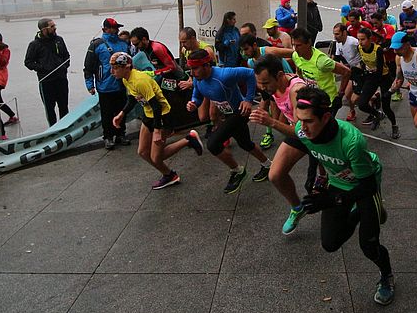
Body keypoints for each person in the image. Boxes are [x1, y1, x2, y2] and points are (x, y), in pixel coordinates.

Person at [280, 86, 395, 305]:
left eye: (308, 121)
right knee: (330, 244)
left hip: (364, 185)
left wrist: (332, 200)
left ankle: (386, 276)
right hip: (338, 184)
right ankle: (358, 214)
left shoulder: (352, 141)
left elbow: (367, 186)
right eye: (300, 120)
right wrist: (314, 178)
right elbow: (313, 149)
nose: (302, 127)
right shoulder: (304, 129)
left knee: (368, 246)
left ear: (325, 117)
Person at [109, 52, 203, 189]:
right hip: (149, 115)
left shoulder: (140, 81)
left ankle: (189, 140)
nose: (112, 71)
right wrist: (122, 114)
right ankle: (169, 175)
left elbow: (157, 106)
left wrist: (158, 130)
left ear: (126, 67)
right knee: (142, 152)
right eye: (112, 67)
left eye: (115, 68)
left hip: (162, 116)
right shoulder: (126, 79)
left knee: (156, 158)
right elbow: (133, 98)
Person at [185, 49, 272, 194]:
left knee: (213, 144)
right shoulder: (198, 79)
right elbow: (198, 94)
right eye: (191, 69)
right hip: (228, 114)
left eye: (195, 68)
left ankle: (237, 171)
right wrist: (194, 103)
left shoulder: (224, 75)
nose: (192, 73)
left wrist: (249, 100)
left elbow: (251, 74)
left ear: (206, 65)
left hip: (240, 112)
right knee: (245, 143)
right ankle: (268, 165)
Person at [249, 54, 310, 234]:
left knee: (331, 178)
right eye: (259, 83)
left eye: (265, 83)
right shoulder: (272, 87)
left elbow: (304, 132)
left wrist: (272, 123)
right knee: (275, 175)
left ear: (280, 75)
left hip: (315, 134)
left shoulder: (297, 91)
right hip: (297, 132)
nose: (262, 87)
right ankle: (298, 208)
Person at [290, 28, 351, 192]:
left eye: (299, 45)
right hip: (311, 103)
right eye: (294, 45)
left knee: (319, 140)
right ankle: (324, 174)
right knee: (316, 140)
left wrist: (340, 94)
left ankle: (323, 175)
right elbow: (300, 71)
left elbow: (346, 71)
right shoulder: (296, 56)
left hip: (327, 104)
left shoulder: (322, 61)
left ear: (309, 43)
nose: (296, 49)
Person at [84, 18, 132, 150]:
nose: (116, 30)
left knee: (122, 111)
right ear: (105, 29)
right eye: (113, 27)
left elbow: (131, 61)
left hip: (122, 84)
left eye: (117, 27)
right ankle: (108, 137)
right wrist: (90, 85)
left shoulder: (123, 43)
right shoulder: (96, 45)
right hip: (105, 86)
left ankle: (121, 134)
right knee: (106, 113)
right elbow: (88, 67)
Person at [353, 28, 399, 139]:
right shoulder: (359, 48)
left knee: (386, 106)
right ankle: (377, 114)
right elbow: (363, 62)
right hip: (371, 77)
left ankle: (394, 126)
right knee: (362, 104)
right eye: (359, 39)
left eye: (363, 39)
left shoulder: (378, 50)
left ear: (370, 39)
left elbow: (379, 71)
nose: (360, 42)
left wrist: (374, 90)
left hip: (383, 77)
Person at [24, 17, 70, 126]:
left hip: (61, 79)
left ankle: (65, 128)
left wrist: (64, 67)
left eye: (55, 26)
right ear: (44, 29)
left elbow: (66, 56)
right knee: (50, 108)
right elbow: (28, 62)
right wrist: (43, 68)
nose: (55, 28)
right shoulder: (34, 44)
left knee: (64, 106)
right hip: (46, 81)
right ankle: (53, 130)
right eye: (52, 26)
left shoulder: (59, 40)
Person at [331, 23, 362, 122]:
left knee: (359, 97)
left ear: (344, 33)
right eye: (334, 34)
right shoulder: (338, 43)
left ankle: (374, 98)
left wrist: (361, 65)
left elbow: (364, 53)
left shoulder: (353, 42)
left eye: (337, 34)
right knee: (348, 95)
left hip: (360, 72)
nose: (335, 37)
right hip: (351, 72)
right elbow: (337, 58)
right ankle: (352, 111)